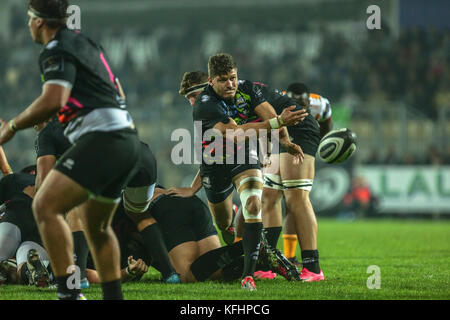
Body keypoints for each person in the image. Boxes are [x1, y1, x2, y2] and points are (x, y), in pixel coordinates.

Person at [0, 0, 141, 300]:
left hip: (102, 140)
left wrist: (11, 126)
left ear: (38, 21)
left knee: (44, 205)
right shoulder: (87, 43)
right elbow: (119, 91)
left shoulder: (54, 50)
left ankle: (70, 294)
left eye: (28, 18)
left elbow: (53, 99)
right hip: (128, 141)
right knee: (97, 226)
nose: (27, 25)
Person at [170, 54, 307, 291]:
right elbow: (232, 136)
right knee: (225, 227)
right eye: (224, 80)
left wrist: (285, 142)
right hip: (216, 165)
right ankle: (258, 244)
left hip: (243, 154)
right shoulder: (205, 104)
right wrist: (195, 186)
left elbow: (271, 116)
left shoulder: (247, 89)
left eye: (232, 78)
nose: (231, 84)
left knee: (254, 202)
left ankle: (248, 276)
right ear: (212, 81)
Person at [262, 82, 325, 281]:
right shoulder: (224, 98)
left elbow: (326, 124)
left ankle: (312, 267)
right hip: (276, 130)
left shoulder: (321, 104)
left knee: (296, 198)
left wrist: (319, 147)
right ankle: (268, 263)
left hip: (299, 125)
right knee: (268, 196)